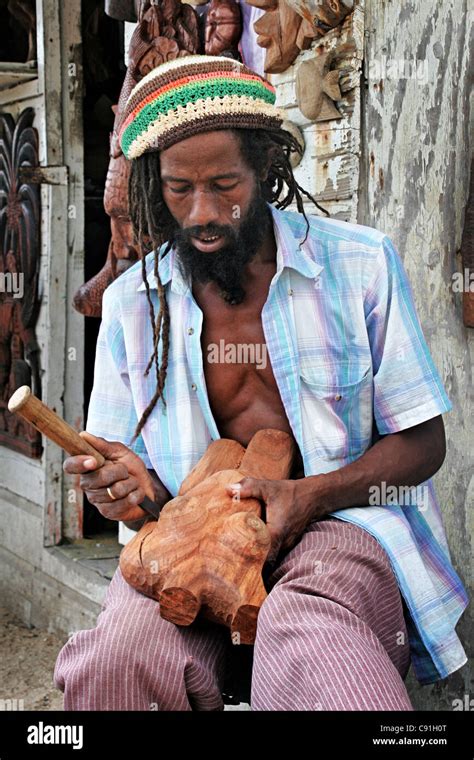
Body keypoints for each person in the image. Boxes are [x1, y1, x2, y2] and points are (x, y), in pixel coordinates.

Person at [54, 55, 468, 711]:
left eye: (225, 185)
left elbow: (422, 445)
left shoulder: (360, 264)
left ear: (269, 170)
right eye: (178, 190)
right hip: (188, 540)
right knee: (116, 662)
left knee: (310, 641)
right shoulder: (135, 302)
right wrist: (127, 493)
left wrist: (310, 495)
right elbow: (136, 495)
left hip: (338, 525)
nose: (202, 214)